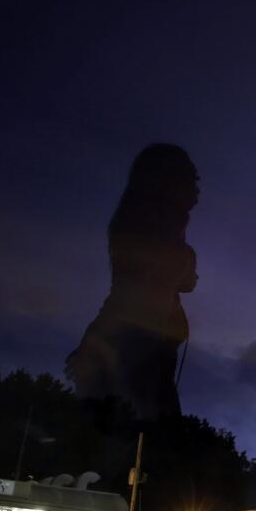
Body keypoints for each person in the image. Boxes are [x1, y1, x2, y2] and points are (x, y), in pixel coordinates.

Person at [66, 144, 200, 422]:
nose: (198, 189)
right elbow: (133, 296)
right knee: (144, 435)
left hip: (143, 356)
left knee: (150, 435)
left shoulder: (159, 235)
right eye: (192, 180)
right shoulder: (155, 240)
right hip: (135, 358)